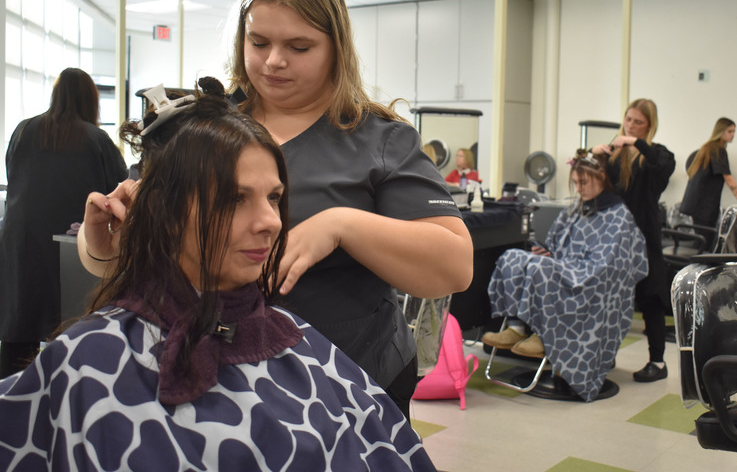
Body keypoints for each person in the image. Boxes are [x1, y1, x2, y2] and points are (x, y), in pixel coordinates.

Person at [79, 0, 473, 420]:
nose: (273, 61)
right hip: (219, 383)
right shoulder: (202, 126)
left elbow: (455, 266)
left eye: (299, 46)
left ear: (336, 48)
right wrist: (102, 243)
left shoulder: (380, 140)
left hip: (349, 383)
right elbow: (124, 251)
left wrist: (342, 224)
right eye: (258, 42)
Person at [0, 79, 436, 471]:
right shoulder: (88, 365)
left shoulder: (310, 356)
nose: (270, 221)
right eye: (234, 198)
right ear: (163, 211)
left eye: (275, 197)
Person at [481, 150, 648, 401]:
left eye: (584, 183)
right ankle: (517, 328)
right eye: (576, 183)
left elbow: (610, 263)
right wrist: (546, 251)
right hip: (565, 268)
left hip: (592, 279)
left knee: (541, 269)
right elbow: (555, 243)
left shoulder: (618, 216)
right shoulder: (577, 209)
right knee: (512, 257)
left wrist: (557, 264)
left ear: (602, 178)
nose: (579, 189)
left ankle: (545, 335)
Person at [0, 67, 128, 378]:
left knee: (19, 326)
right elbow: (119, 193)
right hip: (69, 251)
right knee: (68, 325)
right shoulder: (97, 140)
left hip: (20, 242)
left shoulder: (23, 130)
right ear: (90, 100)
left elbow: (11, 174)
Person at [592, 98, 675, 383]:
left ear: (649, 126)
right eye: (628, 119)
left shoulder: (658, 155)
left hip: (644, 236)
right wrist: (595, 155)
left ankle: (658, 361)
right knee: (611, 297)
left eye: (638, 122)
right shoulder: (616, 156)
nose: (630, 125)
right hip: (615, 237)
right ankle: (607, 353)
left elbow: (660, 163)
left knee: (650, 298)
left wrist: (632, 142)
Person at [680, 117, 737, 232]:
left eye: (734, 131)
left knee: (701, 238)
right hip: (704, 206)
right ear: (720, 131)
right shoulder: (718, 150)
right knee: (706, 240)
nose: (733, 135)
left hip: (694, 203)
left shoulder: (707, 148)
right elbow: (728, 178)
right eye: (729, 131)